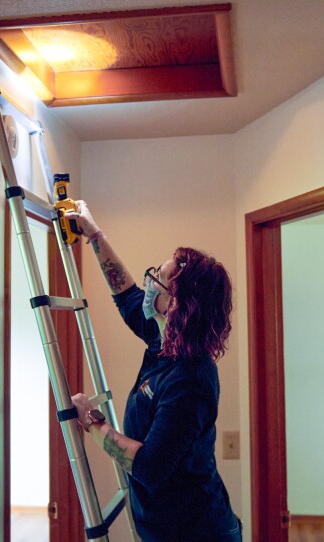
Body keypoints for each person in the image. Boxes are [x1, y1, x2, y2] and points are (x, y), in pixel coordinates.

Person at [66, 201, 242, 542]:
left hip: (193, 533)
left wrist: (92, 421)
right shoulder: (164, 338)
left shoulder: (190, 380)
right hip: (164, 525)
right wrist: (94, 233)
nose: (148, 283)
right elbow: (126, 294)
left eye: (157, 279)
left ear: (175, 305)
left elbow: (149, 466)